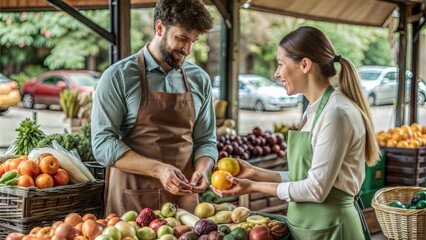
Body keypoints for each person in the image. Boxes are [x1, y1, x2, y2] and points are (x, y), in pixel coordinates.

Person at [211, 26, 380, 240]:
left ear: (305, 64)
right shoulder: (315, 110)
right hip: (310, 227)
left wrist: (253, 186)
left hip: (333, 230)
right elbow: (306, 178)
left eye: (281, 64)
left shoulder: (336, 114)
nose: (276, 73)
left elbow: (315, 189)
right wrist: (254, 172)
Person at [91, 0, 218, 215]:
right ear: (160, 28)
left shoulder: (200, 80)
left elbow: (205, 140)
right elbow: (103, 145)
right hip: (132, 202)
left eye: (193, 41)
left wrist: (203, 170)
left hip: (184, 204)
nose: (187, 50)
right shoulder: (118, 77)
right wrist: (159, 169)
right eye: (182, 39)